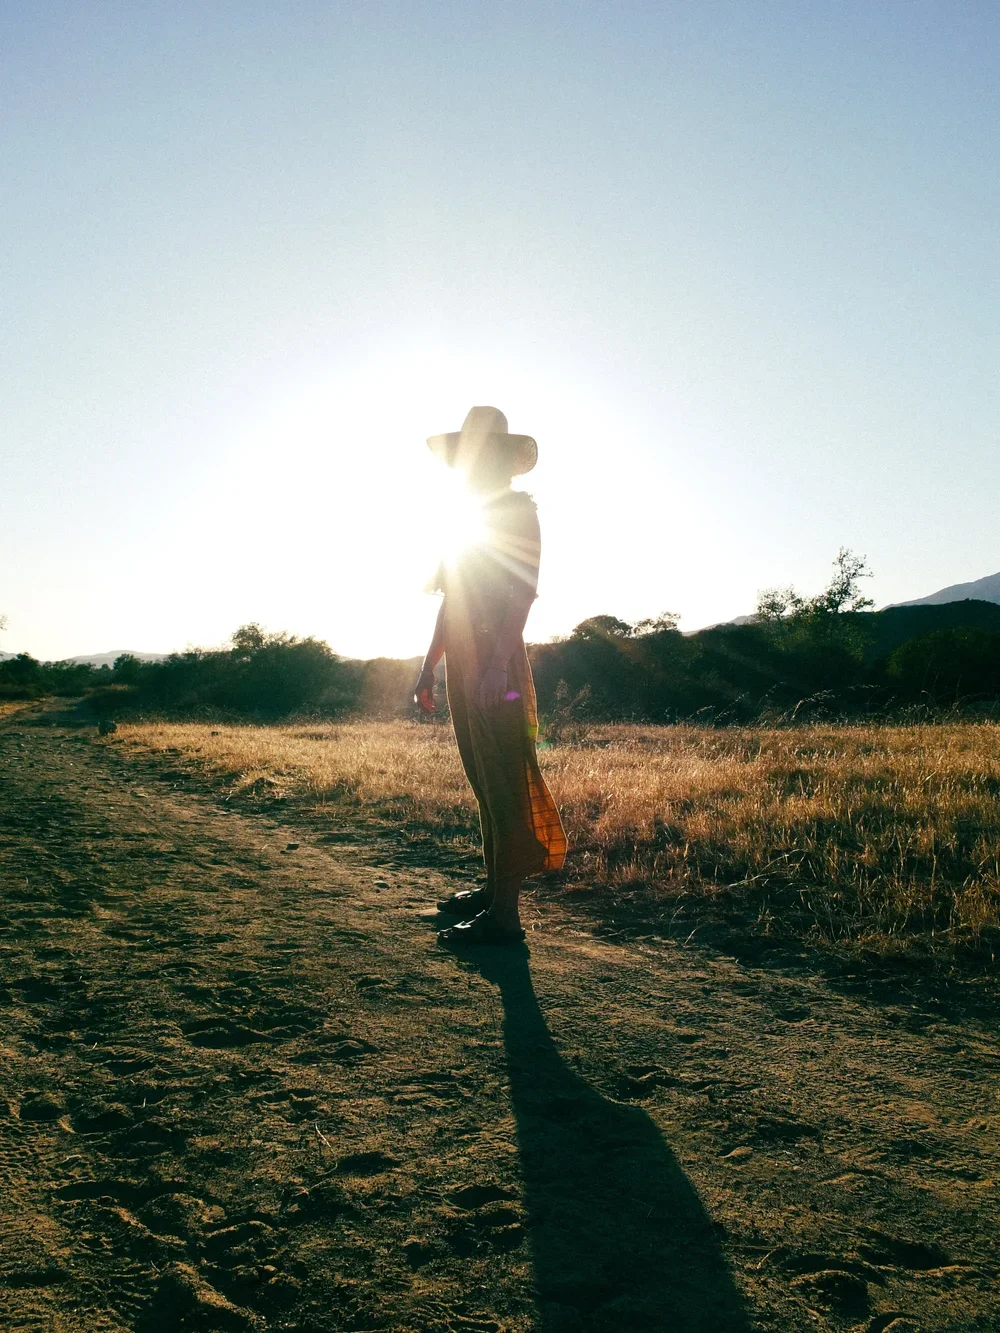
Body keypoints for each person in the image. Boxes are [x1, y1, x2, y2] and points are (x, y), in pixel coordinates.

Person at [415, 406, 567, 945]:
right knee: (485, 781)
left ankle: (505, 916)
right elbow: (450, 597)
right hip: (463, 662)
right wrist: (428, 666)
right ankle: (492, 890)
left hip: (494, 662)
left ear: (501, 459)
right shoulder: (461, 513)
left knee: (505, 780)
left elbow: (522, 594)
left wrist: (498, 664)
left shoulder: (517, 512)